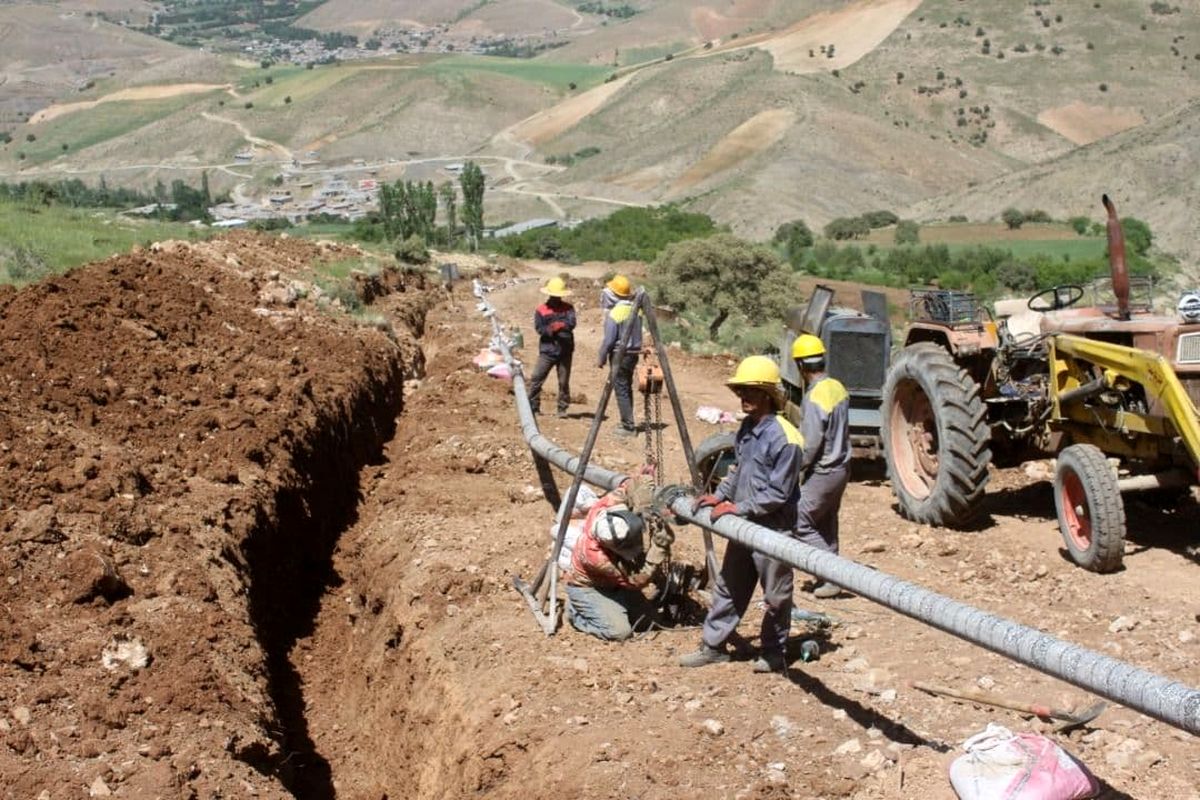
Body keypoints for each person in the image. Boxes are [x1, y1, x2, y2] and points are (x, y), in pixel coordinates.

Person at [679, 356, 804, 674]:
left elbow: (779, 493)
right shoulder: (747, 428)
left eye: (749, 390)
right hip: (746, 524)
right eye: (740, 391)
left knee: (776, 596)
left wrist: (738, 508)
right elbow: (738, 471)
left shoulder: (786, 439)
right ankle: (713, 646)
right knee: (730, 586)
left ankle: (774, 653)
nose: (742, 397)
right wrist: (718, 496)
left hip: (773, 531)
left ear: (767, 395)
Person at [565, 489, 671, 641]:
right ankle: (576, 614)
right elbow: (636, 582)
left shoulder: (599, 510)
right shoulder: (597, 558)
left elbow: (628, 486)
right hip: (590, 589)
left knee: (649, 621)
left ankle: (615, 608)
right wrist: (658, 550)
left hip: (614, 585)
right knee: (620, 632)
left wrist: (649, 499)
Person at [791, 334, 851, 599]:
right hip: (842, 469)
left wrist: (794, 467)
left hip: (824, 470)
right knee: (826, 522)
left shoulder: (814, 397)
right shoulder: (838, 387)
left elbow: (811, 443)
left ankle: (831, 573)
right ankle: (828, 579)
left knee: (799, 520)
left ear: (801, 366)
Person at [597, 274, 642, 436]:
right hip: (633, 355)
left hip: (619, 355)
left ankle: (628, 426)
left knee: (621, 388)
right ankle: (628, 420)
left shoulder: (615, 313)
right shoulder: (637, 311)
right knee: (626, 387)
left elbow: (609, 340)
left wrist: (601, 357)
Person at [528, 276, 577, 418]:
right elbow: (539, 329)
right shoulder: (541, 310)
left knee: (563, 381)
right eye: (555, 295)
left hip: (565, 350)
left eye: (558, 296)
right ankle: (533, 406)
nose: (557, 298)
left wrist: (562, 325)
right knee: (537, 377)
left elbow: (572, 323)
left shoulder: (568, 309)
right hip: (548, 350)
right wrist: (552, 329)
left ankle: (562, 409)